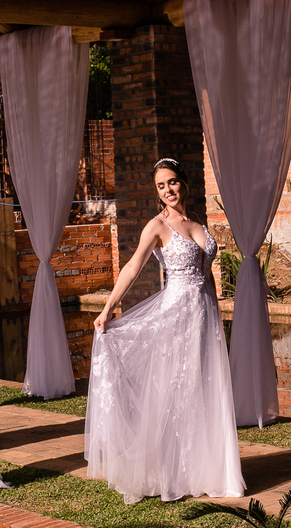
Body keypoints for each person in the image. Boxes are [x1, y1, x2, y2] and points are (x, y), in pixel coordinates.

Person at [85, 158, 245, 504]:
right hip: (177, 316)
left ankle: (207, 471)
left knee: (204, 387)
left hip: (206, 316)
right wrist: (108, 307)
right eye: (160, 186)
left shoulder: (196, 221)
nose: (168, 190)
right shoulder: (157, 226)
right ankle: (172, 472)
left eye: (171, 182)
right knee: (176, 388)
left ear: (183, 183)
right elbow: (132, 266)